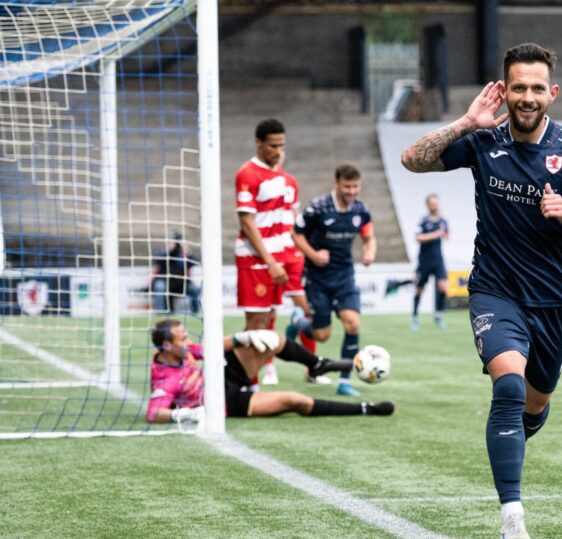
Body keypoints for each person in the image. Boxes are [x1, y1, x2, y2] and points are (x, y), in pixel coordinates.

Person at [400, 43, 562, 539]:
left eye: (537, 88)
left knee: (535, 403)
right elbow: (412, 159)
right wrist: (464, 123)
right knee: (508, 390)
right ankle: (512, 515)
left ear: (553, 93)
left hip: (552, 302)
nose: (527, 97)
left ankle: (512, 441)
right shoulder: (483, 141)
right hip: (495, 292)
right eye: (518, 87)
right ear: (504, 89)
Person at [146, 319, 394, 425]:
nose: (187, 341)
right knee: (295, 401)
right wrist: (187, 415)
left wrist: (245, 337)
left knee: (271, 338)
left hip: (221, 377)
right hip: (223, 402)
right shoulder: (165, 378)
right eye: (182, 338)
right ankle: (368, 409)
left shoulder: (184, 351)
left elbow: (210, 348)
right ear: (166, 346)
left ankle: (316, 363)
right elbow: (154, 413)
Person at [290, 164, 377, 397]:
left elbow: (369, 236)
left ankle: (345, 381)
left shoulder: (360, 209)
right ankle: (298, 321)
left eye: (355, 186)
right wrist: (313, 254)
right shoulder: (318, 208)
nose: (351, 191)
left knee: (353, 323)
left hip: (344, 276)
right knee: (322, 335)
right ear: (336, 183)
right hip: (317, 278)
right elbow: (296, 234)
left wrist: (369, 252)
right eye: (347, 186)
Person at [234, 118, 306, 387]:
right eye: (272, 146)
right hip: (256, 259)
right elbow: (247, 222)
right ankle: (241, 379)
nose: (277, 151)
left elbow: (292, 220)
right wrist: (271, 262)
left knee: (270, 319)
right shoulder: (248, 174)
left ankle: (258, 374)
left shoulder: (286, 179)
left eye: (281, 146)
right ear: (258, 143)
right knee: (255, 323)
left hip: (283, 257)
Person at [410, 194, 450, 331]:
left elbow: (447, 236)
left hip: (438, 260)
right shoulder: (423, 221)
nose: (434, 205)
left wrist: (444, 234)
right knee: (420, 289)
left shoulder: (443, 221)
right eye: (432, 203)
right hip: (424, 261)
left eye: (436, 203)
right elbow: (418, 237)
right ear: (427, 205)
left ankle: (438, 314)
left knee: (443, 287)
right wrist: (435, 234)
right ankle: (415, 317)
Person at [150, 232, 200, 314]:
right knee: (159, 286)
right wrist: (168, 250)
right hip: (166, 282)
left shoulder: (183, 254)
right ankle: (160, 312)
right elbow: (158, 260)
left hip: (182, 284)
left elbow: (195, 261)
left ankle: (196, 312)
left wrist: (187, 252)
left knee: (194, 289)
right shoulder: (163, 253)